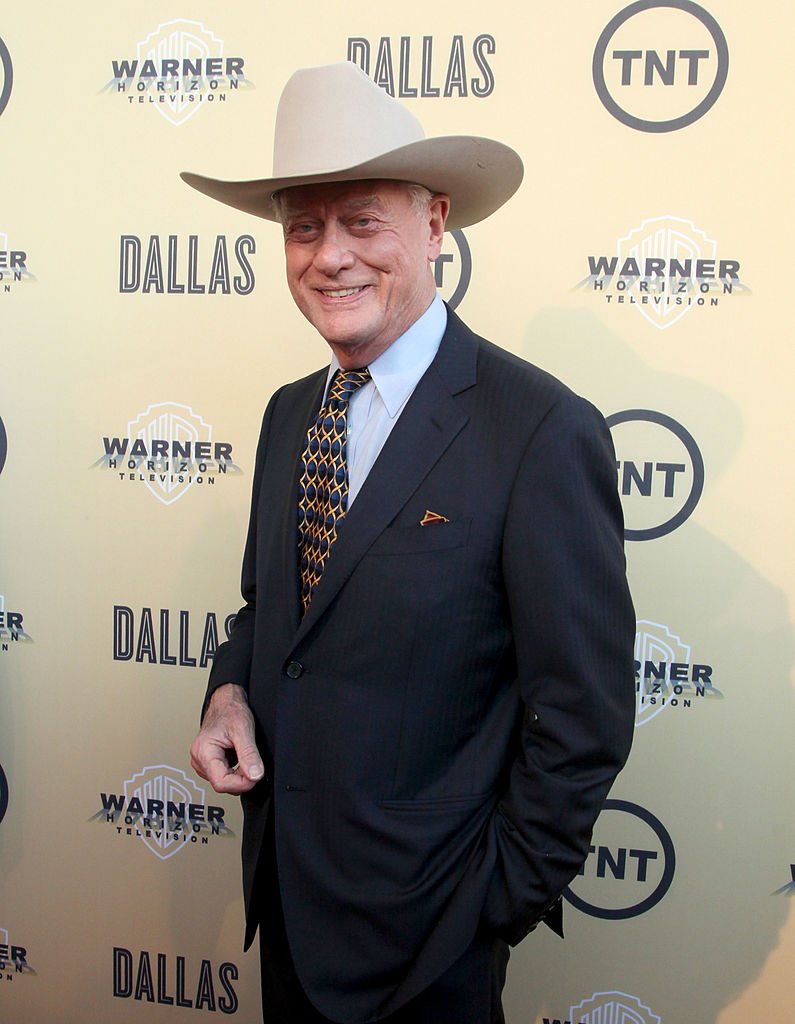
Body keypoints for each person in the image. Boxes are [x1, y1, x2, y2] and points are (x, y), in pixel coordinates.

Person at [184, 61, 635, 1024]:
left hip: (434, 945)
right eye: (304, 227)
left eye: (361, 220)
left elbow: (582, 716)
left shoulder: (539, 430)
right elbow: (274, 616)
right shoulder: (286, 415)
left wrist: (488, 908)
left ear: (434, 225)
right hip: (287, 912)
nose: (329, 256)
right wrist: (229, 690)